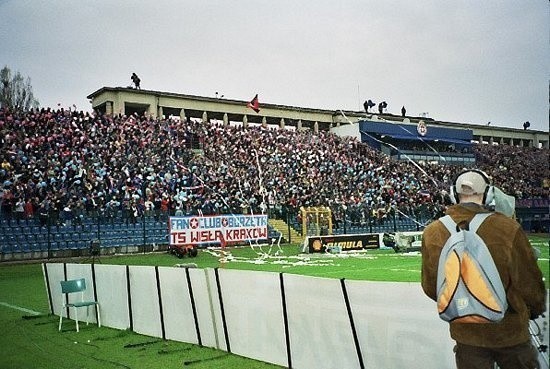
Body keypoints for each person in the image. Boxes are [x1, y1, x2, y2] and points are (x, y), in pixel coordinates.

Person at [421, 169, 546, 369]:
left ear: (453, 194)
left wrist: (465, 304)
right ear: (488, 194)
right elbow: (529, 282)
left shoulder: (433, 232)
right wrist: (535, 308)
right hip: (510, 331)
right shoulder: (507, 228)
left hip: (466, 332)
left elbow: (430, 286)